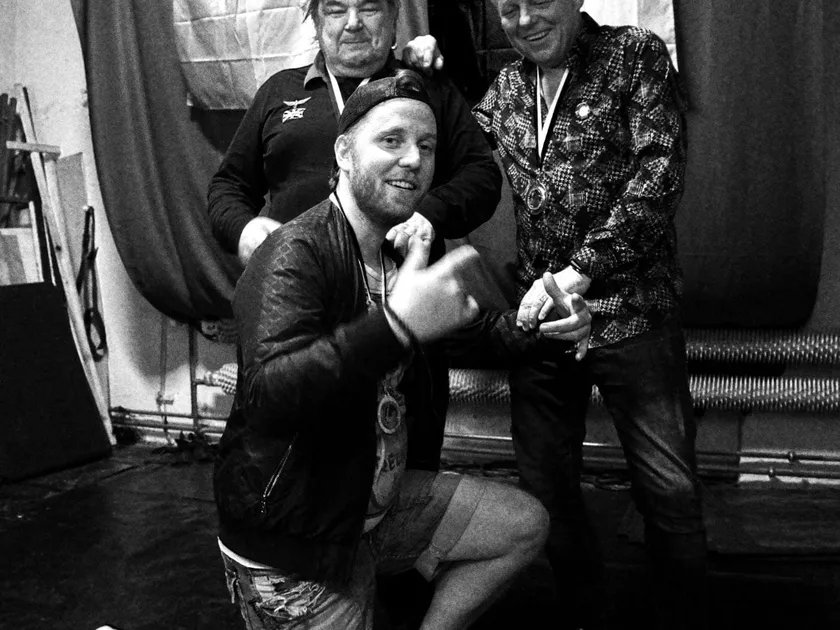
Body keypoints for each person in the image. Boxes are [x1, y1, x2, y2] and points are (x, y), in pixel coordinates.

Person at [213, 71, 592, 630]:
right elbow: (270, 394)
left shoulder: (395, 253)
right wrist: (394, 326)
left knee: (521, 524)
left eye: (427, 146)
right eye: (391, 140)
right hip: (296, 544)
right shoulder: (296, 252)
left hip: (368, 506)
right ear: (344, 153)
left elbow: (470, 330)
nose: (413, 159)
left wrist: (545, 323)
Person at [406, 2, 706, 629]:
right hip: (542, 323)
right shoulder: (509, 86)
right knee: (545, 487)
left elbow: (659, 175)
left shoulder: (634, 54)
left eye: (537, 1)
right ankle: (585, 613)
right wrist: (424, 77)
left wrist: (580, 273)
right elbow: (461, 152)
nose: (523, 20)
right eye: (508, 8)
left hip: (632, 313)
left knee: (670, 490)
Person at [207, 0, 501, 476]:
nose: (352, 24)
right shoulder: (279, 92)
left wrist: (428, 215)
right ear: (315, 20)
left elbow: (482, 177)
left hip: (404, 305)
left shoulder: (424, 88)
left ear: (394, 18)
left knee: (408, 461)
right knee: (296, 457)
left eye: (368, 8)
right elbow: (228, 186)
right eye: (336, 9)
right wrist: (243, 228)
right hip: (302, 305)